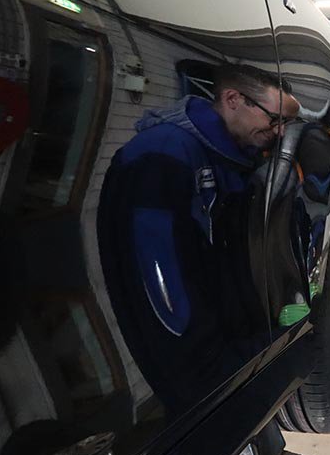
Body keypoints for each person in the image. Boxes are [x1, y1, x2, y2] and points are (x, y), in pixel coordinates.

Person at [97, 63, 300, 407]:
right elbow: (159, 276)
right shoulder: (162, 154)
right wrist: (209, 365)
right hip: (197, 370)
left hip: (231, 351)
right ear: (233, 99)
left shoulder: (231, 156)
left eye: (287, 123)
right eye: (275, 118)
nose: (281, 132)